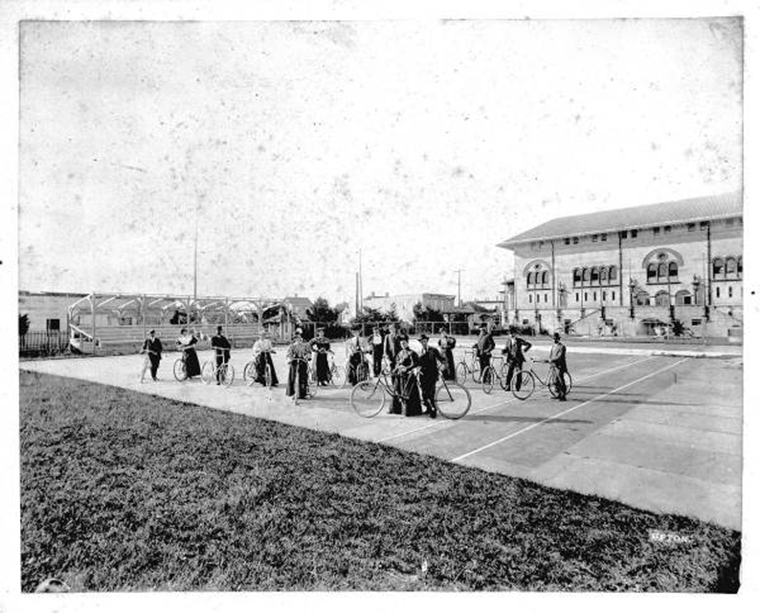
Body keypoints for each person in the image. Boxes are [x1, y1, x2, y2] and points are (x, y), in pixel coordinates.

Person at [390, 335, 422, 416]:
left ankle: (410, 411)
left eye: (404, 343)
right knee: (397, 391)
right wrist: (396, 369)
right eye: (401, 343)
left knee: (408, 393)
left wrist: (406, 368)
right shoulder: (400, 353)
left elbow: (415, 363)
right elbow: (397, 362)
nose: (403, 345)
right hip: (400, 376)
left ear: (407, 343)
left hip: (408, 377)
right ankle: (396, 410)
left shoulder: (412, 353)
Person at [418, 334, 445, 418]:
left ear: (427, 341)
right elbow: (418, 363)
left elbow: (441, 359)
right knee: (424, 394)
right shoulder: (420, 351)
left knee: (431, 393)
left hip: (432, 374)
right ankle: (428, 408)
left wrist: (443, 366)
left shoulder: (433, 350)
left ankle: (433, 411)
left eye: (425, 341)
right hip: (423, 375)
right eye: (422, 342)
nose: (423, 343)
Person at [286, 328, 311, 399]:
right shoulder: (292, 346)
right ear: (294, 339)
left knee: (303, 377)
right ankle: (293, 393)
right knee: (292, 377)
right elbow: (288, 354)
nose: (298, 339)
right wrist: (290, 359)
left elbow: (309, 352)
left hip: (302, 361)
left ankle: (304, 393)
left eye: (299, 337)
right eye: (296, 338)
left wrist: (307, 356)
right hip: (294, 361)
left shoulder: (305, 345)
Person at [549, 332, 569, 401]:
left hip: (560, 366)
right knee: (555, 381)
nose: (554, 340)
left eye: (556, 339)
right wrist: (550, 360)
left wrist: (552, 359)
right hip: (554, 365)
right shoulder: (553, 346)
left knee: (561, 380)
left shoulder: (562, 347)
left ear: (558, 339)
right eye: (553, 339)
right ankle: (558, 394)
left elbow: (560, 356)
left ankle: (563, 396)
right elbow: (551, 355)